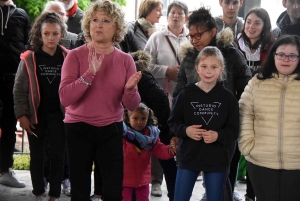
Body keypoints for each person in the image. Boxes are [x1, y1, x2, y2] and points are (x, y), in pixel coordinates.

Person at [58, 0, 141, 200]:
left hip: (110, 129)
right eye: (94, 20)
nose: (98, 25)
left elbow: (132, 105)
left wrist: (129, 90)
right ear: (88, 24)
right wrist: (89, 75)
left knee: (112, 190)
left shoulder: (125, 60)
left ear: (117, 28)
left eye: (105, 21)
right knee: (80, 189)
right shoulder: (75, 56)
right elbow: (65, 97)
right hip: (78, 128)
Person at [172, 7, 251, 201]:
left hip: (222, 135)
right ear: (198, 67)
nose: (194, 39)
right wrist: (180, 131)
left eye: (199, 34)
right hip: (191, 144)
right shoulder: (190, 57)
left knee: (223, 185)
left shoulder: (232, 54)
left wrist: (227, 113)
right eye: (191, 36)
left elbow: (247, 88)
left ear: (213, 31)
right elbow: (178, 96)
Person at [168, 46, 239, 201]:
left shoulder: (228, 98)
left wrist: (218, 135)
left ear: (221, 69)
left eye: (214, 67)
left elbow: (234, 130)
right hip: (188, 156)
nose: (208, 71)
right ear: (197, 68)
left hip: (217, 158)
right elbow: (173, 122)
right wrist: (186, 131)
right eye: (204, 66)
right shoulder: (185, 94)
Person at [13, 12, 68, 201]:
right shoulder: (29, 58)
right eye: (46, 34)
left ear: (62, 35)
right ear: (40, 34)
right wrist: (22, 116)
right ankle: (38, 192)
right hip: (36, 116)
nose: (51, 38)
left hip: (59, 117)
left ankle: (54, 194)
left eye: (55, 33)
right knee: (37, 156)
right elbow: (19, 90)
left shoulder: (68, 57)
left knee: (58, 156)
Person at [239, 34, 300, 201]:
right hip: (261, 162)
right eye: (281, 54)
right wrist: (247, 146)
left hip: (297, 164)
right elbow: (244, 113)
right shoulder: (257, 82)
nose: (286, 59)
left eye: (292, 55)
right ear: (273, 55)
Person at [236, 8, 275, 201]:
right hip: (238, 103)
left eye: (257, 23)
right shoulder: (235, 44)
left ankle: (252, 195)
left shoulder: (272, 46)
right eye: (248, 21)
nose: (251, 27)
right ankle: (228, 190)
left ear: (265, 25)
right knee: (237, 150)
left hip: (263, 106)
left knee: (256, 152)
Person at [129, 0, 164, 197]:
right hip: (139, 88)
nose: (160, 13)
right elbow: (142, 59)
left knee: (151, 131)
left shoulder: (154, 30)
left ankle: (153, 180)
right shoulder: (133, 30)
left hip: (152, 87)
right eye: (157, 9)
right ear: (147, 10)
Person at [0, 0, 31, 188]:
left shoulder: (21, 14)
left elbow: (27, 45)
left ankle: (5, 170)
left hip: (12, 79)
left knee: (9, 125)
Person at [122, 103, 175, 201]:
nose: (139, 122)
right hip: (124, 182)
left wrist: (172, 149)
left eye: (143, 118)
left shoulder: (152, 136)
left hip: (142, 181)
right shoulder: (122, 135)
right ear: (128, 118)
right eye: (135, 118)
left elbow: (160, 150)